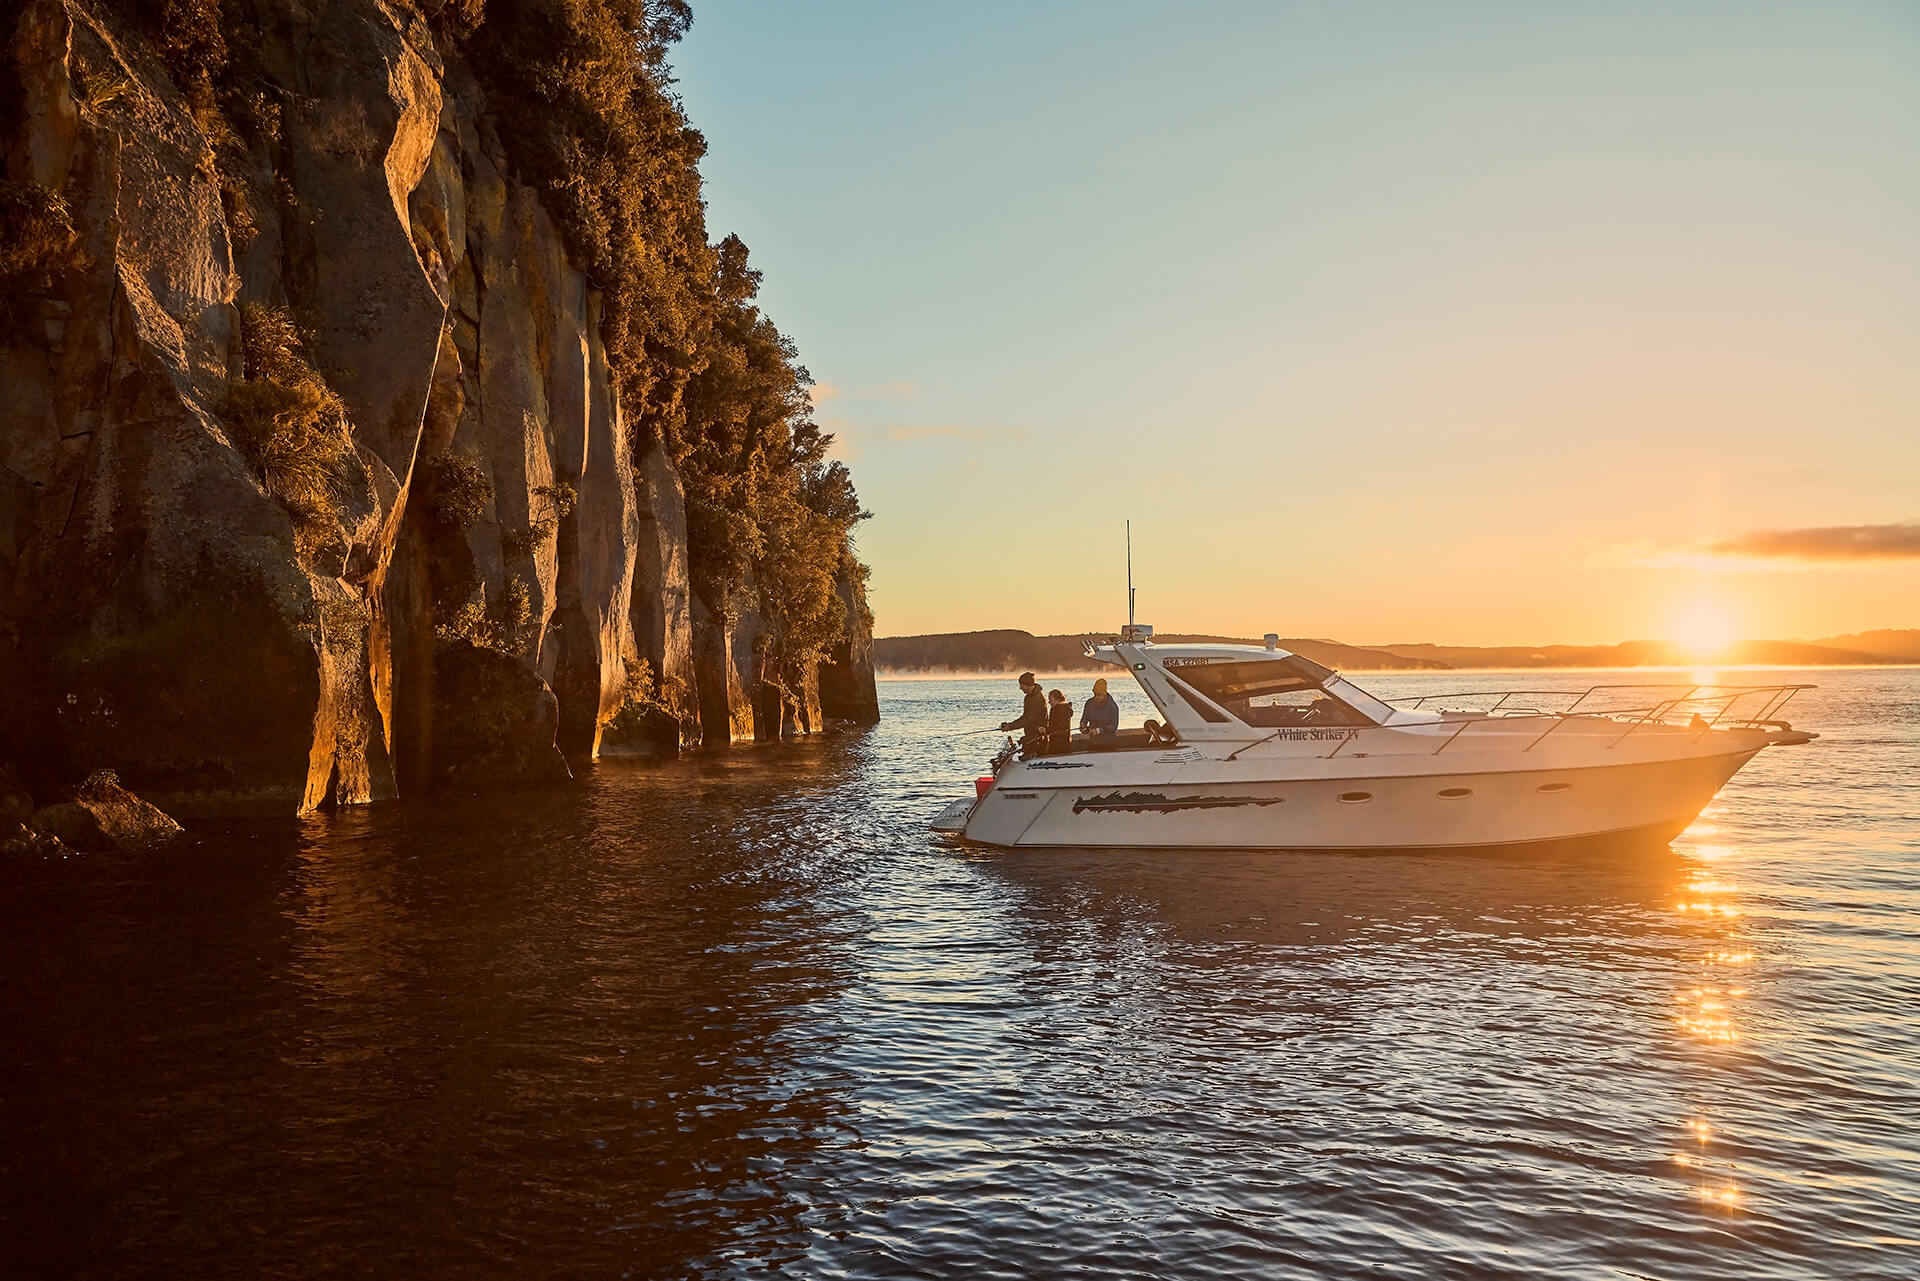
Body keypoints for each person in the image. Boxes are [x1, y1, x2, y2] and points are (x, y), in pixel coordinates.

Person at [999, 672, 1049, 755]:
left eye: (1021, 685)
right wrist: (1009, 725)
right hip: (1030, 735)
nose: (1020, 688)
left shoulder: (1038, 699)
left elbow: (1028, 720)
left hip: (1037, 738)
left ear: (1027, 684)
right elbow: (1025, 717)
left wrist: (1010, 726)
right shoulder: (1028, 697)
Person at [1080, 678, 1120, 748]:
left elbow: (1114, 726)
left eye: (1099, 695)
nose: (1096, 697)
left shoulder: (1112, 706)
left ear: (1104, 694)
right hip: (1093, 742)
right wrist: (1083, 725)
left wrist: (1099, 730)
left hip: (1109, 743)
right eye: (1095, 694)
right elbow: (1084, 718)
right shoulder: (1089, 703)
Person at [1046, 689, 1073, 754]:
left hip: (1060, 744)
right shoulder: (1054, 709)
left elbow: (1060, 729)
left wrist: (1046, 730)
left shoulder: (1061, 710)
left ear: (1058, 700)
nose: (1049, 702)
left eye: (1051, 700)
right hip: (1057, 742)